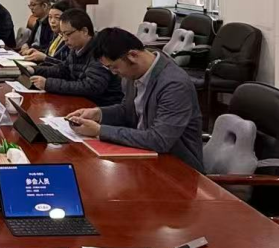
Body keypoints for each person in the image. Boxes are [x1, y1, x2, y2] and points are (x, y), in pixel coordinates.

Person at [64, 27, 204, 171]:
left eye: (114, 67)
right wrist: (98, 113)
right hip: (143, 155)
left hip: (177, 167)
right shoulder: (133, 73)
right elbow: (128, 110)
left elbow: (159, 140)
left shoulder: (174, 85)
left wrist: (100, 131)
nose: (114, 73)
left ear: (132, 55)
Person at [29, 9, 122, 106]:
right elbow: (63, 70)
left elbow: (91, 87)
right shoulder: (76, 48)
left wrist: (48, 84)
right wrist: (34, 70)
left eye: (68, 34)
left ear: (84, 31)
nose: (64, 39)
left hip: (100, 106)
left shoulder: (99, 50)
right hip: (81, 102)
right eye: (62, 34)